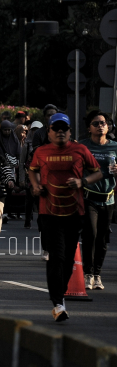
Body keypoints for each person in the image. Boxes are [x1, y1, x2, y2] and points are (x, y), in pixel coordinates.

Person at [29, 112, 102, 322]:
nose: (60, 132)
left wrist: (82, 182)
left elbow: (97, 172)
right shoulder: (41, 151)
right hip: (49, 212)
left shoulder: (80, 150)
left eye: (64, 129)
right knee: (57, 256)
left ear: (70, 132)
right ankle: (58, 304)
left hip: (74, 212)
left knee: (69, 259)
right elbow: (32, 170)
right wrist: (36, 186)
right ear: (49, 132)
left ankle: (59, 295)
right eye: (56, 128)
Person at [79, 110, 117, 291]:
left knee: (102, 238)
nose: (100, 126)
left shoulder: (115, 147)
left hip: (108, 199)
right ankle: (88, 273)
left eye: (103, 123)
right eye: (96, 123)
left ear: (108, 127)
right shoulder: (82, 146)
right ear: (89, 128)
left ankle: (97, 274)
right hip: (89, 197)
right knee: (91, 234)